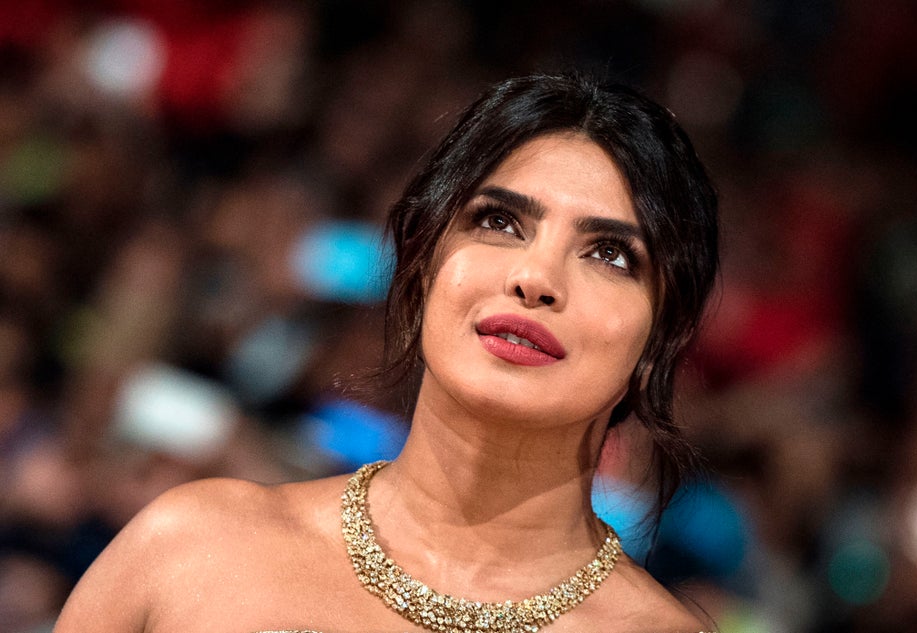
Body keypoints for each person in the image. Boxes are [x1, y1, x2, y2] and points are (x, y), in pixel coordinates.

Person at [54, 73, 719, 633]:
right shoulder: (192, 545)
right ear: (423, 263)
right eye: (499, 221)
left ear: (661, 339)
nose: (535, 278)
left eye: (610, 254)